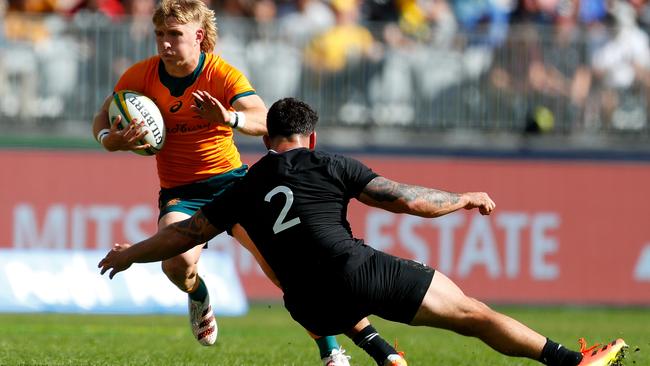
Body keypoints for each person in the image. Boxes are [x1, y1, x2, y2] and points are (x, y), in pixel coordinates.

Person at [98, 97, 627, 366]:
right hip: (352, 271)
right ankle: (572, 361)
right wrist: (463, 198)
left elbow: (185, 233)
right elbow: (403, 200)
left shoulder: (242, 186)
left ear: (270, 140)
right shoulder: (327, 162)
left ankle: (379, 351)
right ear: (310, 136)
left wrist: (130, 254)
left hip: (307, 306)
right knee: (473, 315)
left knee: (316, 285)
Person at [90, 0, 395, 364]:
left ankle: (332, 350)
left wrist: (229, 118)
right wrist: (110, 139)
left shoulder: (221, 74)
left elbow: (265, 120)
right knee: (175, 266)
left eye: (175, 34)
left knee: (289, 276)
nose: (165, 43)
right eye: (160, 34)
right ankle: (199, 294)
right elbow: (102, 115)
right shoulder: (141, 76)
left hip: (236, 187)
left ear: (199, 36)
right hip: (181, 193)